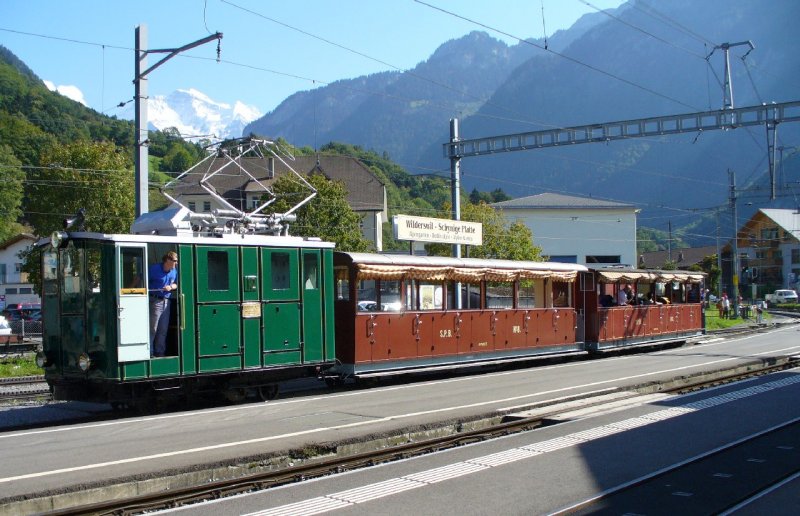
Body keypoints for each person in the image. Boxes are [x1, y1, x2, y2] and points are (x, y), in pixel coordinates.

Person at [149, 251, 178, 357]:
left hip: (167, 301)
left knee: (163, 329)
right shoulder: (154, 269)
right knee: (153, 328)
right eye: (175, 261)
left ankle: (160, 352)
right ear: (167, 260)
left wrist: (171, 287)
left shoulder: (174, 271)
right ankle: (150, 352)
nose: (176, 263)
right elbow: (141, 279)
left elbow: (176, 284)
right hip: (155, 301)